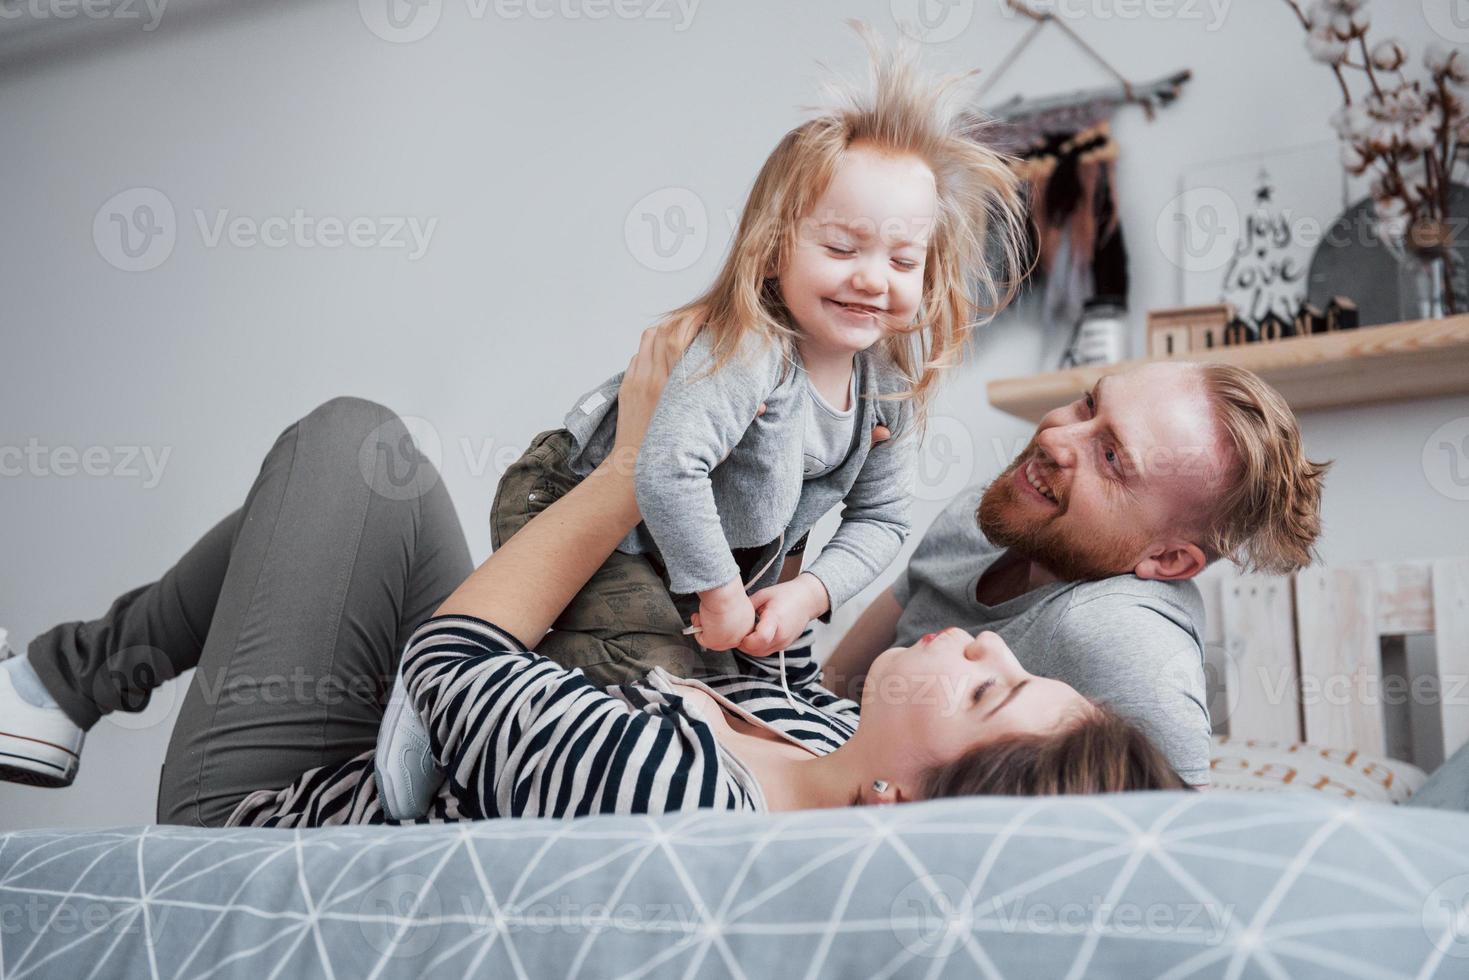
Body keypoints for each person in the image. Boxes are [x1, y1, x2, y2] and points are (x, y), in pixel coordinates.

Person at [0, 324, 1188, 827]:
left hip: (278, 806)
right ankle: (60, 683)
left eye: (985, 690)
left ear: (904, 812)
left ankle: (61, 679)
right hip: (417, 743)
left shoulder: (681, 799)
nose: (985, 643)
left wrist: (636, 457)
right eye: (1006, 656)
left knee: (348, 442)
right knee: (388, 471)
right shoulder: (824, 722)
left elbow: (448, 665)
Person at [472, 23, 1030, 694]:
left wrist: (809, 596)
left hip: (669, 547)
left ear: (928, 274)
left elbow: (881, 519)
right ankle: (454, 690)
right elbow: (669, 468)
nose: (873, 278)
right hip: (575, 504)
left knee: (754, 687)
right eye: (842, 249)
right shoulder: (752, 352)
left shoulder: (884, 394)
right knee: (661, 679)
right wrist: (718, 592)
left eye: (902, 259)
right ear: (772, 251)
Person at [822, 360, 1331, 787]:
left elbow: (1172, 849)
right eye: (1089, 404)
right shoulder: (990, 520)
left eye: (1111, 458)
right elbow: (829, 689)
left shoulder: (1117, 635)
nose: (1056, 437)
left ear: (1169, 561)